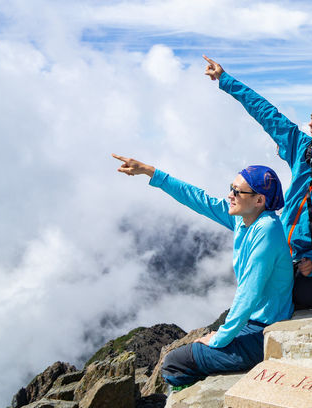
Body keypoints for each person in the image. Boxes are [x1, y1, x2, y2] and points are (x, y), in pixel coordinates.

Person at [203, 56, 312, 310]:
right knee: (261, 294)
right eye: (311, 116)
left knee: (306, 297)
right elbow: (266, 113)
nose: (311, 123)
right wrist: (226, 80)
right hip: (284, 245)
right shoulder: (302, 148)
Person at [111, 155, 293, 387]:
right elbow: (197, 198)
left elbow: (249, 294)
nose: (230, 195)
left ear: (259, 200)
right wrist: (150, 172)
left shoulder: (266, 230)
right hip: (253, 323)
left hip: (263, 332)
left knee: (174, 364)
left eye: (237, 192)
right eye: (231, 188)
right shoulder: (244, 220)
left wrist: (220, 337)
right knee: (192, 351)